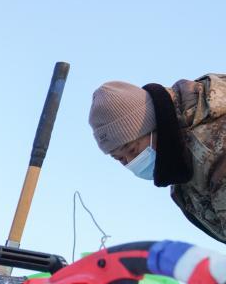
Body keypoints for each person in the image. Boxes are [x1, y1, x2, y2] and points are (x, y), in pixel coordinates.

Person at [89, 76, 226, 244]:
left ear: (155, 127)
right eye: (120, 159)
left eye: (132, 150)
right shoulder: (180, 168)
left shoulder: (214, 148)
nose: (131, 162)